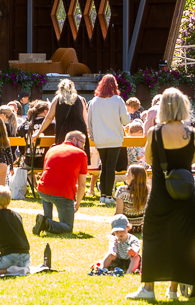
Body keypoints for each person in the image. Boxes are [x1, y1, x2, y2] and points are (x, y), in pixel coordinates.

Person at [127, 89, 195, 301]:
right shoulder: (192, 134)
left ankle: (148, 288)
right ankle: (173, 290)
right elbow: (193, 160)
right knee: (182, 241)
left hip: (160, 194)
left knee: (153, 238)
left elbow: (148, 157)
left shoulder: (155, 133)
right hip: (184, 196)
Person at [34, 131, 89, 235]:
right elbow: (82, 184)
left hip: (43, 189)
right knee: (68, 227)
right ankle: (46, 223)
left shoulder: (52, 149)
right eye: (83, 143)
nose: (83, 147)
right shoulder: (81, 154)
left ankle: (46, 219)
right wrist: (78, 202)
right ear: (74, 140)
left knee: (48, 197)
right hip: (62, 193)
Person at [87, 74, 131, 205]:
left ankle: (103, 196)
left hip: (100, 139)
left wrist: (93, 136)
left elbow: (89, 122)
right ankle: (108, 196)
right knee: (110, 167)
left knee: (104, 167)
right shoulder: (118, 100)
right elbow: (125, 120)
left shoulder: (94, 101)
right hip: (114, 138)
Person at [36, 79, 89, 157]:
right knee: (79, 159)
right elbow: (85, 120)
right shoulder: (80, 99)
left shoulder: (57, 100)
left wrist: (38, 133)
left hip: (63, 133)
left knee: (64, 159)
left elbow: (48, 118)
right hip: (79, 135)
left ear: (60, 89)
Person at [114, 164, 148, 233]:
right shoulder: (148, 191)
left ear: (133, 176)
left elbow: (118, 214)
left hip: (126, 228)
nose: (126, 174)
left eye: (128, 173)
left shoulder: (122, 191)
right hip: (142, 228)